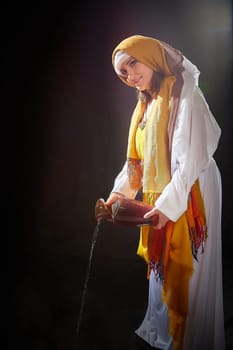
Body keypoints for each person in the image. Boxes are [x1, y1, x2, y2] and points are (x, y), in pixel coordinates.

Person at [100, 35, 225, 350]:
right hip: (166, 193)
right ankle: (163, 334)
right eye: (123, 73)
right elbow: (136, 166)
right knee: (160, 272)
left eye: (132, 63)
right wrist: (117, 196)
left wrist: (168, 206)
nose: (129, 75)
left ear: (151, 56)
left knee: (188, 271)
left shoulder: (185, 95)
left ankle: (189, 338)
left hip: (194, 190)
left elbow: (190, 161)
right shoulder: (144, 106)